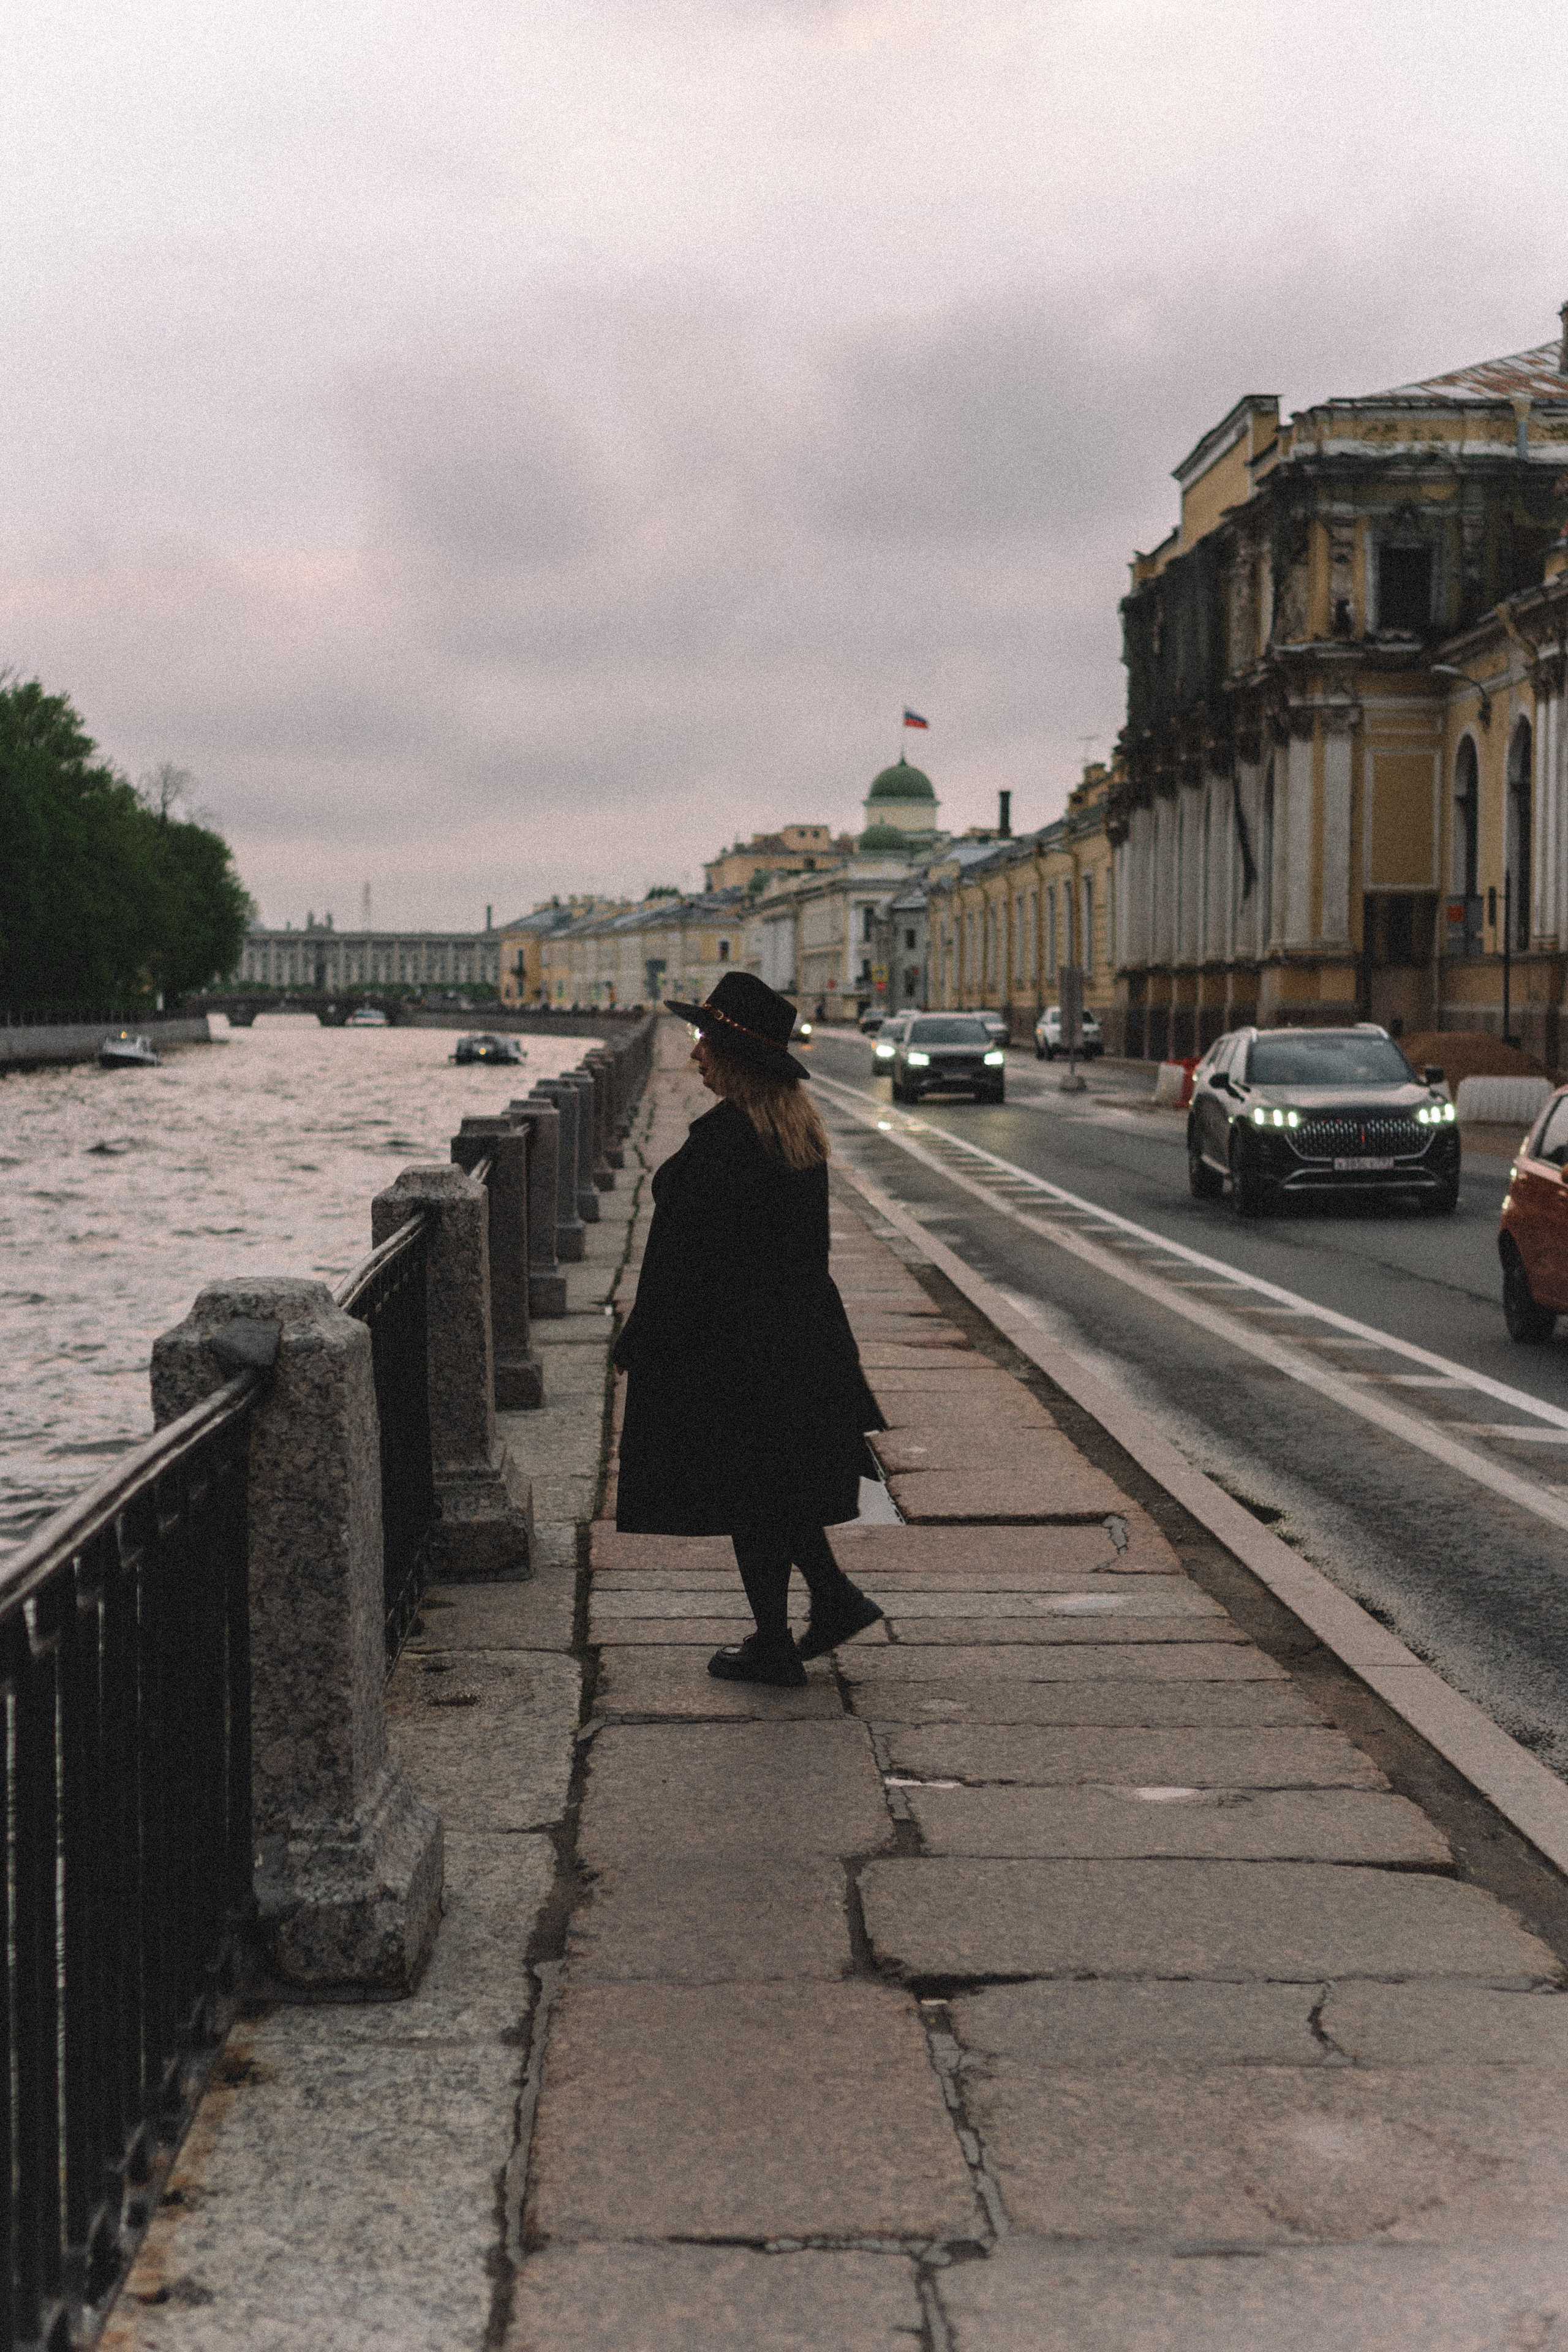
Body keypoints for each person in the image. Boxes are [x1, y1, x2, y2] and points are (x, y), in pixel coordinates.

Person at [612, 971, 886, 1687]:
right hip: (794, 1344)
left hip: (737, 1352)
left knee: (750, 1494)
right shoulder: (790, 1134)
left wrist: (645, 1339)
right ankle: (822, 1604)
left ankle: (787, 1631)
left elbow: (694, 1266)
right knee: (769, 1492)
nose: (693, 1055)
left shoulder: (727, 1145)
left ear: (735, 1057)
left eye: (704, 1042)